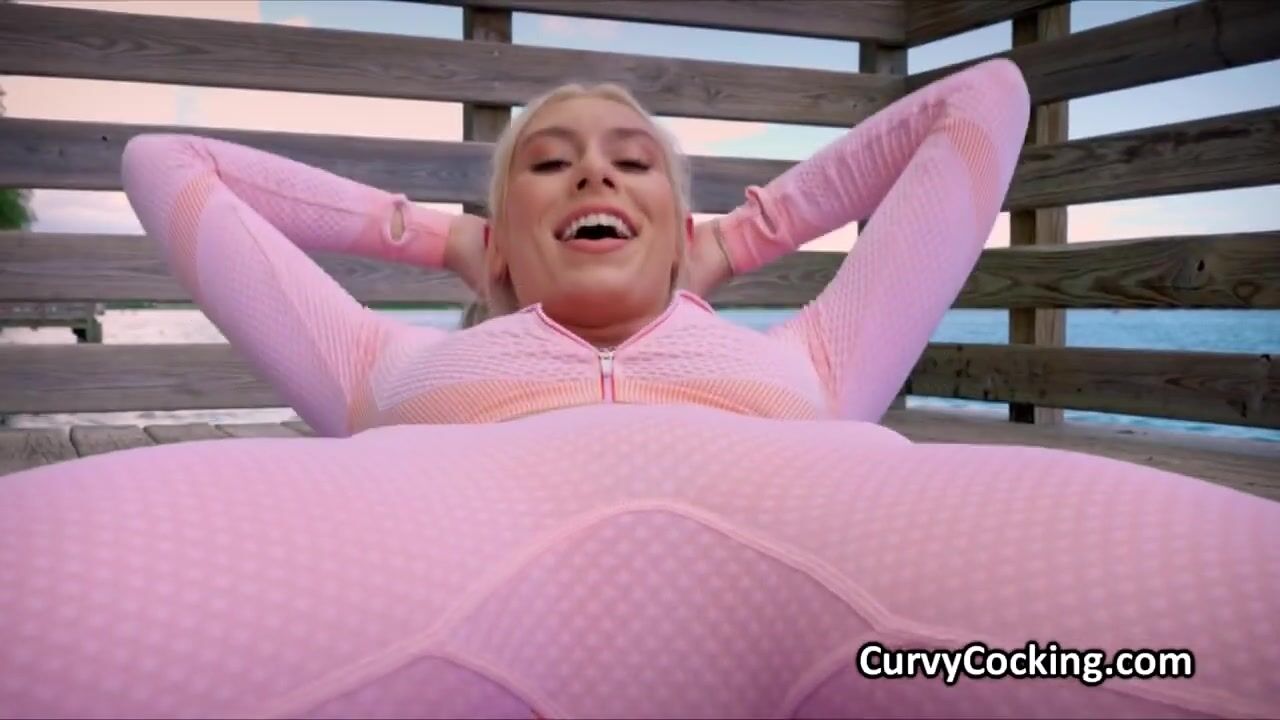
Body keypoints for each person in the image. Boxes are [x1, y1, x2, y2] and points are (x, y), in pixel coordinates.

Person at [1, 59, 1276, 719]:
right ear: (500, 230)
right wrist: (447, 244)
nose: (593, 176)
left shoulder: (819, 359)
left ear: (678, 218)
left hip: (870, 581)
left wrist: (739, 239)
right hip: (405, 560)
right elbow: (168, 163)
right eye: (545, 165)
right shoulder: (379, 365)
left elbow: (981, 106)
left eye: (633, 164)